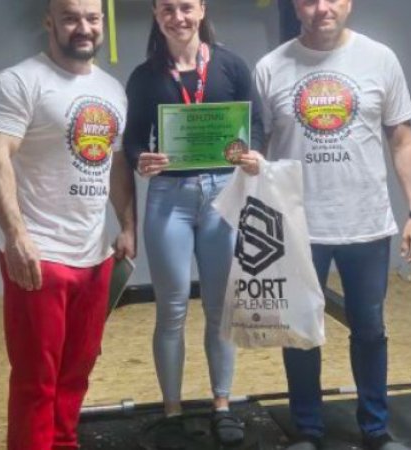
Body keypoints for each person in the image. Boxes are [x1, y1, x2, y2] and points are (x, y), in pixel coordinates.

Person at [254, 1, 411, 449]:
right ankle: (307, 430)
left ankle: (375, 429)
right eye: (309, 0)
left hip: (366, 224)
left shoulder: (380, 59)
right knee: (300, 333)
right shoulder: (270, 68)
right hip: (296, 226)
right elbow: (257, 148)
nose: (322, 8)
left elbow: (402, 138)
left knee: (370, 329)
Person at [0, 0, 136, 448]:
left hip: (94, 257)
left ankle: (64, 443)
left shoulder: (111, 89)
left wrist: (126, 224)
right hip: (39, 254)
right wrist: (16, 236)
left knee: (77, 372)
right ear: (50, 21)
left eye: (92, 18)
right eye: (70, 18)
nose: (83, 27)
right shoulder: (18, 81)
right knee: (36, 381)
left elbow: (116, 163)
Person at [122, 0, 263, 447]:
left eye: (186, 7)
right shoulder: (145, 76)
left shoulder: (230, 65)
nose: (178, 17)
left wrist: (253, 154)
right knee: (172, 309)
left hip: (223, 194)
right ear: (156, 15)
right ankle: (172, 411)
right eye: (167, 9)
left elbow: (256, 125)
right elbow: (131, 140)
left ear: (202, 9)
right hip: (169, 197)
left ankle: (222, 404)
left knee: (220, 307)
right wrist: (140, 160)